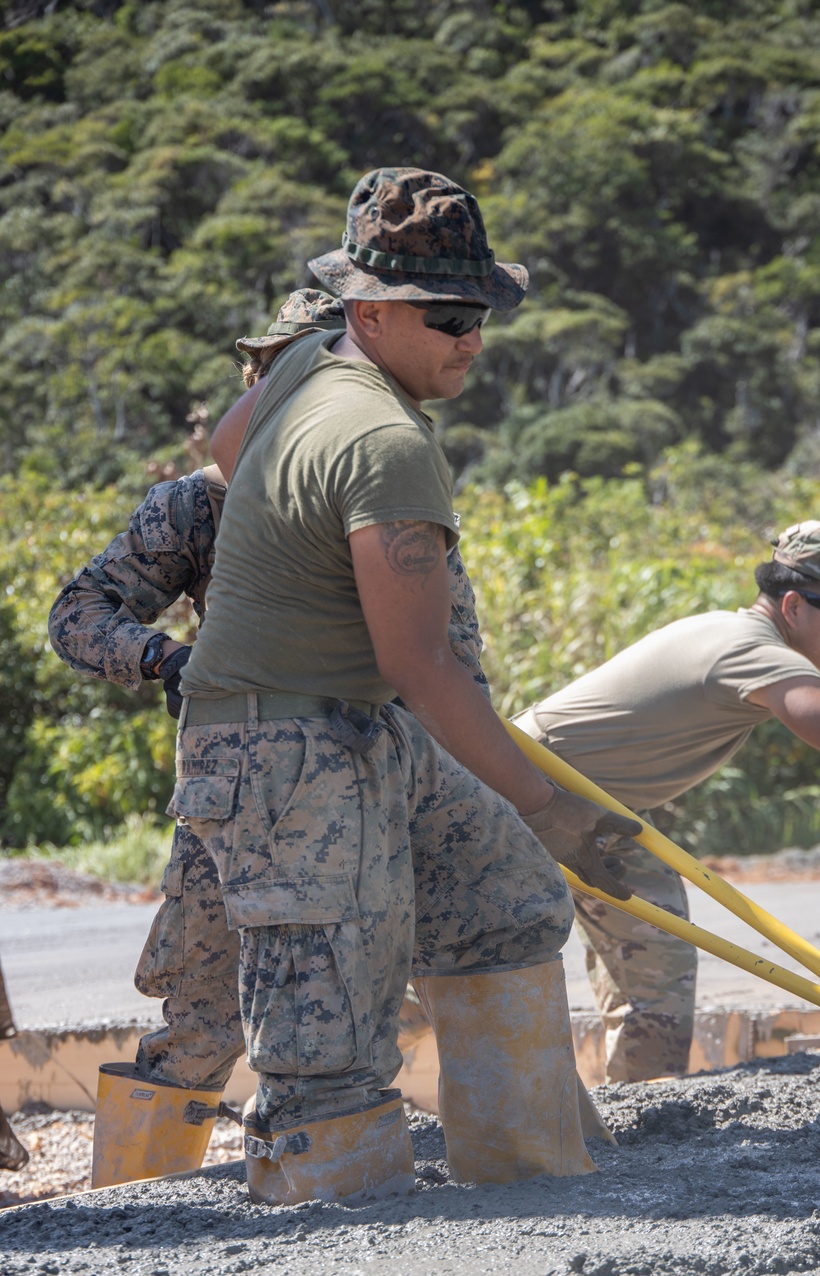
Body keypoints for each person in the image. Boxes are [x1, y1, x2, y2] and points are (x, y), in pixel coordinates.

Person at [171, 167, 638, 1206]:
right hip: (282, 748)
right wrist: (552, 807)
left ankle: (528, 1178)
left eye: (480, 314)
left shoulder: (307, 371)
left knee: (505, 899)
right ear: (368, 312)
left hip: (361, 725)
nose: (469, 337)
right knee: (326, 1028)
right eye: (446, 316)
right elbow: (421, 664)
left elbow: (228, 443)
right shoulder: (385, 443)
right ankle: (337, 1229)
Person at [47, 288, 497, 1187]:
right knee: (204, 1018)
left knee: (440, 969)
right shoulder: (194, 509)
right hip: (250, 781)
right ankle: (132, 1202)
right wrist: (167, 662)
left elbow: (451, 656)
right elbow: (78, 614)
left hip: (383, 769)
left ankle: (521, 1146)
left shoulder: (380, 475)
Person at [516, 521, 820, 1083]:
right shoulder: (758, 654)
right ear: (794, 606)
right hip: (519, 791)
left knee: (657, 960)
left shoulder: (724, 630)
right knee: (456, 954)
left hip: (590, 806)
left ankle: (640, 1104)